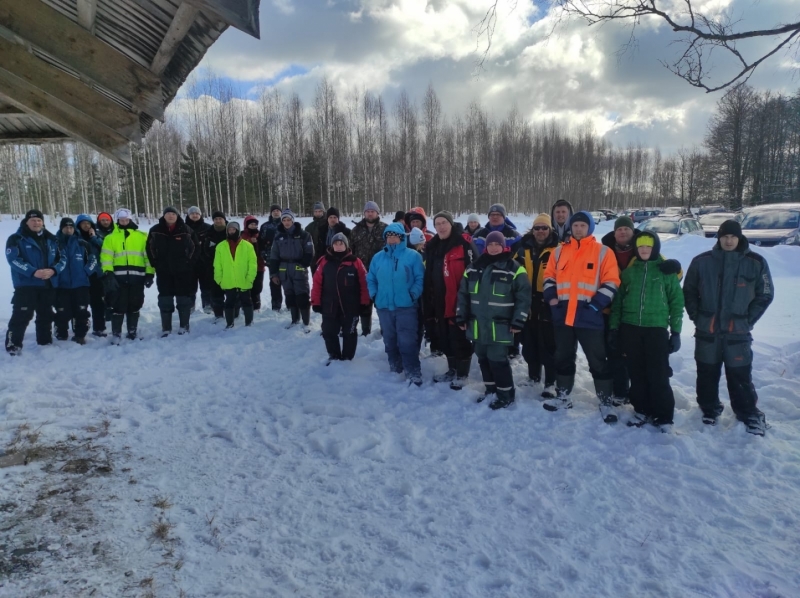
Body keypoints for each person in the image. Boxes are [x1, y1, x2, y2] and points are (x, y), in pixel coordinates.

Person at [683, 220, 774, 435]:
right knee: (706, 372)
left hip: (738, 332)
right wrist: (698, 317)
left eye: (733, 236)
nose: (729, 240)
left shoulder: (755, 262)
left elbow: (766, 294)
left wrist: (747, 320)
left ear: (740, 238)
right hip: (708, 330)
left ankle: (748, 412)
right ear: (719, 238)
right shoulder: (701, 262)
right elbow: (689, 291)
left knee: (740, 374)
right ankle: (709, 408)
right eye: (725, 236)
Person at [542, 211, 620, 421]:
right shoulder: (558, 252)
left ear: (590, 228)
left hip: (589, 316)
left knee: (597, 360)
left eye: (582, 226)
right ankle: (563, 396)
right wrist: (552, 301)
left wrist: (595, 306)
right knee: (563, 357)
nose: (578, 229)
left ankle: (605, 402)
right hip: (563, 315)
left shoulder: (603, 252)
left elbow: (612, 282)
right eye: (575, 225)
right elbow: (548, 277)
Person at [609, 231, 684, 430]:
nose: (643, 250)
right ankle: (641, 409)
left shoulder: (666, 272)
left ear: (655, 249)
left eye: (648, 247)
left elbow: (677, 302)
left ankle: (664, 416)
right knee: (637, 373)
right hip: (630, 328)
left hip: (656, 330)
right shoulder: (629, 273)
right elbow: (617, 304)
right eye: (640, 247)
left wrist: (676, 332)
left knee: (658, 374)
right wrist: (614, 328)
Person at [457, 231, 531, 409]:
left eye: (497, 244)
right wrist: (461, 315)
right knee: (482, 357)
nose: (494, 247)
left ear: (503, 246)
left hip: (500, 325)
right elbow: (463, 294)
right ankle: (490, 390)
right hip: (477, 324)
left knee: (497, 359)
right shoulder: (473, 267)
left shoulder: (514, 268)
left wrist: (518, 320)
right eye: (490, 244)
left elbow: (524, 298)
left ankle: (506, 394)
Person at [422, 211, 476, 390]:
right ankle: (452, 369)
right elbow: (429, 274)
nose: (441, 227)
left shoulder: (464, 244)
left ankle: (462, 375)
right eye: (437, 224)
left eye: (444, 222)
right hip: (439, 299)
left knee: (459, 337)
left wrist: (469, 301)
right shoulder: (433, 246)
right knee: (444, 337)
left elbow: (474, 272)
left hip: (459, 299)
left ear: (451, 224)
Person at [367, 223, 425, 386]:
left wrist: (412, 294)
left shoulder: (413, 256)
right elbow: (371, 278)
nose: (391, 239)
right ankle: (395, 367)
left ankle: (413, 371)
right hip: (384, 306)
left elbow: (420, 279)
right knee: (390, 340)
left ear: (401, 237)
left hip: (406, 306)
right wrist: (375, 295)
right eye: (388, 236)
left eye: (395, 235)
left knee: (407, 340)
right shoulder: (378, 257)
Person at [5, 209, 66, 355]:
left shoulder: (52, 239)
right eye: (33, 220)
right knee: (22, 315)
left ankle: (44, 341)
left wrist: (54, 270)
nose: (36, 223)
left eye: (39, 220)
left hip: (47, 284)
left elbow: (62, 258)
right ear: (26, 222)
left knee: (45, 314)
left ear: (43, 222)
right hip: (26, 285)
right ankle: (14, 343)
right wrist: (33, 272)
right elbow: (13, 260)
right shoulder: (16, 238)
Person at [513, 213, 559, 397]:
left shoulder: (559, 249)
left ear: (550, 229)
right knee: (529, 341)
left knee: (548, 343)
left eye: (544, 228)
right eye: (537, 228)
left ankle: (550, 382)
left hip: (549, 300)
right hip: (527, 300)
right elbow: (513, 269)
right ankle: (533, 376)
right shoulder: (523, 248)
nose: (540, 231)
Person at [311, 233, 370, 362]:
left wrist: (365, 302)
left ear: (346, 245)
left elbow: (364, 283)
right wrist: (315, 301)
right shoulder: (324, 261)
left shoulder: (356, 262)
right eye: (335, 243)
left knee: (350, 332)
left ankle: (348, 358)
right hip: (329, 305)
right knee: (328, 332)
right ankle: (334, 356)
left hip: (350, 306)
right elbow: (317, 282)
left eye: (341, 243)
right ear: (332, 245)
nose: (338, 246)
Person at [101, 208, 154, 342]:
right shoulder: (111, 237)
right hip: (118, 279)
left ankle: (132, 332)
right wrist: (108, 273)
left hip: (137, 277)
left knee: (135, 304)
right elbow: (106, 257)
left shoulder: (142, 236)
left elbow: (148, 257)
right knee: (118, 305)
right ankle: (116, 334)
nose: (124, 222)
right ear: (117, 220)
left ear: (130, 219)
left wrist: (149, 274)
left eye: (126, 219)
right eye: (121, 219)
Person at [147, 207, 199, 336]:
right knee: (165, 299)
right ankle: (166, 327)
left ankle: (184, 326)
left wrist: (189, 263)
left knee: (183, 299)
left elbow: (195, 248)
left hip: (183, 271)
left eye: (173, 214)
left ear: (177, 216)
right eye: (168, 214)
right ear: (164, 216)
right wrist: (155, 263)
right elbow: (150, 248)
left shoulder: (186, 230)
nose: (171, 216)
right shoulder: (155, 230)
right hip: (164, 271)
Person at [269, 209, 314, 330]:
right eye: (284, 220)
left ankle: (306, 322)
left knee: (302, 294)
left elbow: (309, 252)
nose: (287, 222)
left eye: (289, 220)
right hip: (284, 269)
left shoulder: (304, 235)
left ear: (293, 220)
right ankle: (295, 320)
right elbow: (274, 256)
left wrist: (303, 264)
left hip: (298, 267)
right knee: (290, 295)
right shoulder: (278, 236)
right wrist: (273, 273)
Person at [54, 217, 97, 345]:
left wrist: (86, 272)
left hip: (81, 284)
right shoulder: (55, 244)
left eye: (71, 227)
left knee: (81, 311)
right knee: (62, 311)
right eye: (66, 227)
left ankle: (80, 335)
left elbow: (93, 260)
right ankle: (61, 333)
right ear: (61, 228)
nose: (68, 229)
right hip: (62, 285)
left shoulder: (83, 243)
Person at [350, 200, 388, 336]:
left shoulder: (386, 229)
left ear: (377, 213)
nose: (370, 213)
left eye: (372, 211)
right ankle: (366, 331)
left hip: (382, 273)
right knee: (365, 302)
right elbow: (351, 252)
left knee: (382, 302)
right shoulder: (356, 230)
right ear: (364, 213)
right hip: (362, 273)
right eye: (367, 211)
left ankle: (385, 328)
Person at [213, 221, 257, 328]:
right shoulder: (221, 246)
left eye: (233, 229)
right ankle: (229, 323)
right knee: (229, 302)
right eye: (229, 230)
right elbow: (217, 265)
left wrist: (250, 278)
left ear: (238, 230)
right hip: (228, 280)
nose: (231, 231)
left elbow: (252, 264)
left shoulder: (248, 246)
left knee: (247, 301)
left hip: (244, 279)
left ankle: (249, 322)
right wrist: (219, 279)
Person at [75, 214, 108, 337]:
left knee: (98, 303)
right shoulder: (74, 238)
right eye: (83, 223)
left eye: (88, 223)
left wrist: (94, 238)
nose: (86, 225)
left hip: (96, 274)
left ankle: (99, 327)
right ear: (78, 225)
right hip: (80, 276)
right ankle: (79, 329)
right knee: (80, 304)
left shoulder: (96, 237)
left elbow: (105, 248)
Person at [185, 206, 213, 313]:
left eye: (197, 213)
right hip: (189, 262)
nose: (195, 215)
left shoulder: (207, 227)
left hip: (204, 262)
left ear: (200, 215)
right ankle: (190, 306)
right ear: (189, 215)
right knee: (190, 287)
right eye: (192, 214)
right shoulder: (183, 227)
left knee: (206, 286)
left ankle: (208, 305)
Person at [259, 204, 284, 311]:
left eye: (278, 210)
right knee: (274, 282)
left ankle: (291, 305)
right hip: (271, 259)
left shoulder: (286, 224)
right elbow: (261, 242)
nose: (276, 212)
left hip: (285, 259)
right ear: (271, 213)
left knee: (288, 282)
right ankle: (276, 305)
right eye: (274, 210)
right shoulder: (265, 226)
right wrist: (264, 254)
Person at [204, 211, 229, 320]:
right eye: (216, 219)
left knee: (231, 291)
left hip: (230, 267)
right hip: (213, 267)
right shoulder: (208, 233)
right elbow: (205, 250)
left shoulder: (231, 231)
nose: (218, 221)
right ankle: (218, 315)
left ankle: (231, 313)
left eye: (220, 218)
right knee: (216, 291)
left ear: (224, 219)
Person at [241, 216, 265, 310]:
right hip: (246, 266)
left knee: (257, 286)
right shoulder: (242, 235)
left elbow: (262, 249)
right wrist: (250, 242)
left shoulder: (259, 235)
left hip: (259, 265)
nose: (253, 226)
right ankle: (246, 304)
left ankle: (256, 305)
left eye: (255, 224)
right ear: (246, 225)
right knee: (246, 285)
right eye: (251, 224)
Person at [305, 202, 326, 274]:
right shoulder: (309, 227)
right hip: (314, 259)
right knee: (316, 280)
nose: (318, 213)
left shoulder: (328, 224)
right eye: (316, 211)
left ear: (323, 211)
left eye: (320, 211)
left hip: (326, 257)